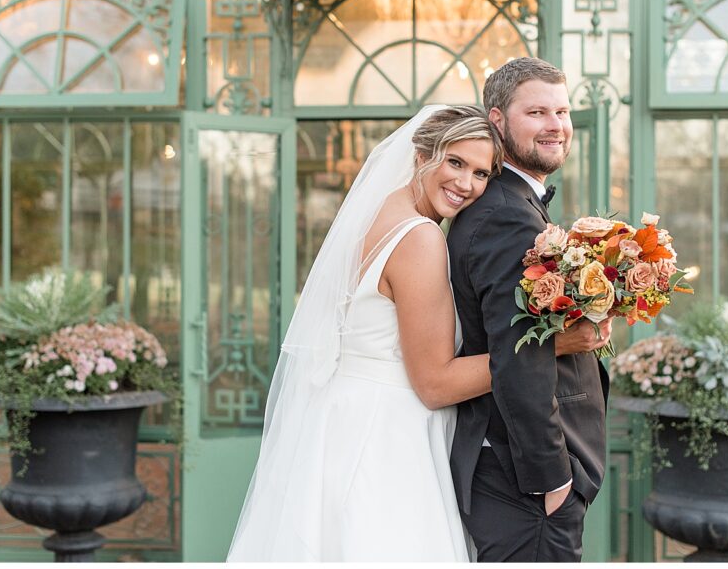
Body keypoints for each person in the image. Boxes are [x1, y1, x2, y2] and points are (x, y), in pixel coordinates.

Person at [226, 103, 606, 562]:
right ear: (421, 154)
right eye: (455, 162)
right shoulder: (420, 239)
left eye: (482, 173)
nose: (466, 184)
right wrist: (551, 345)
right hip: (388, 438)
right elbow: (434, 383)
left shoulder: (378, 213)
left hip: (342, 420)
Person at [447, 58, 612, 562]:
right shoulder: (505, 218)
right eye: (537, 112)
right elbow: (514, 354)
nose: (556, 126)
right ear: (497, 120)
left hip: (516, 475)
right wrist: (552, 477)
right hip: (527, 481)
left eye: (561, 112)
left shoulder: (514, 205)